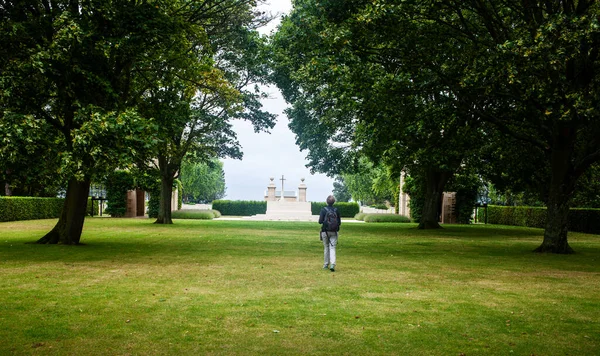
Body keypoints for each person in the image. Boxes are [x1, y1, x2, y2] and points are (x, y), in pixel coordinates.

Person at [319, 195, 341, 272]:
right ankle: (332, 264)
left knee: (326, 247)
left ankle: (325, 264)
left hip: (325, 231)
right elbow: (339, 222)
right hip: (334, 232)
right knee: (333, 247)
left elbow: (320, 221)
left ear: (326, 201)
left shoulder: (323, 210)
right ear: (334, 202)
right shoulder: (336, 210)